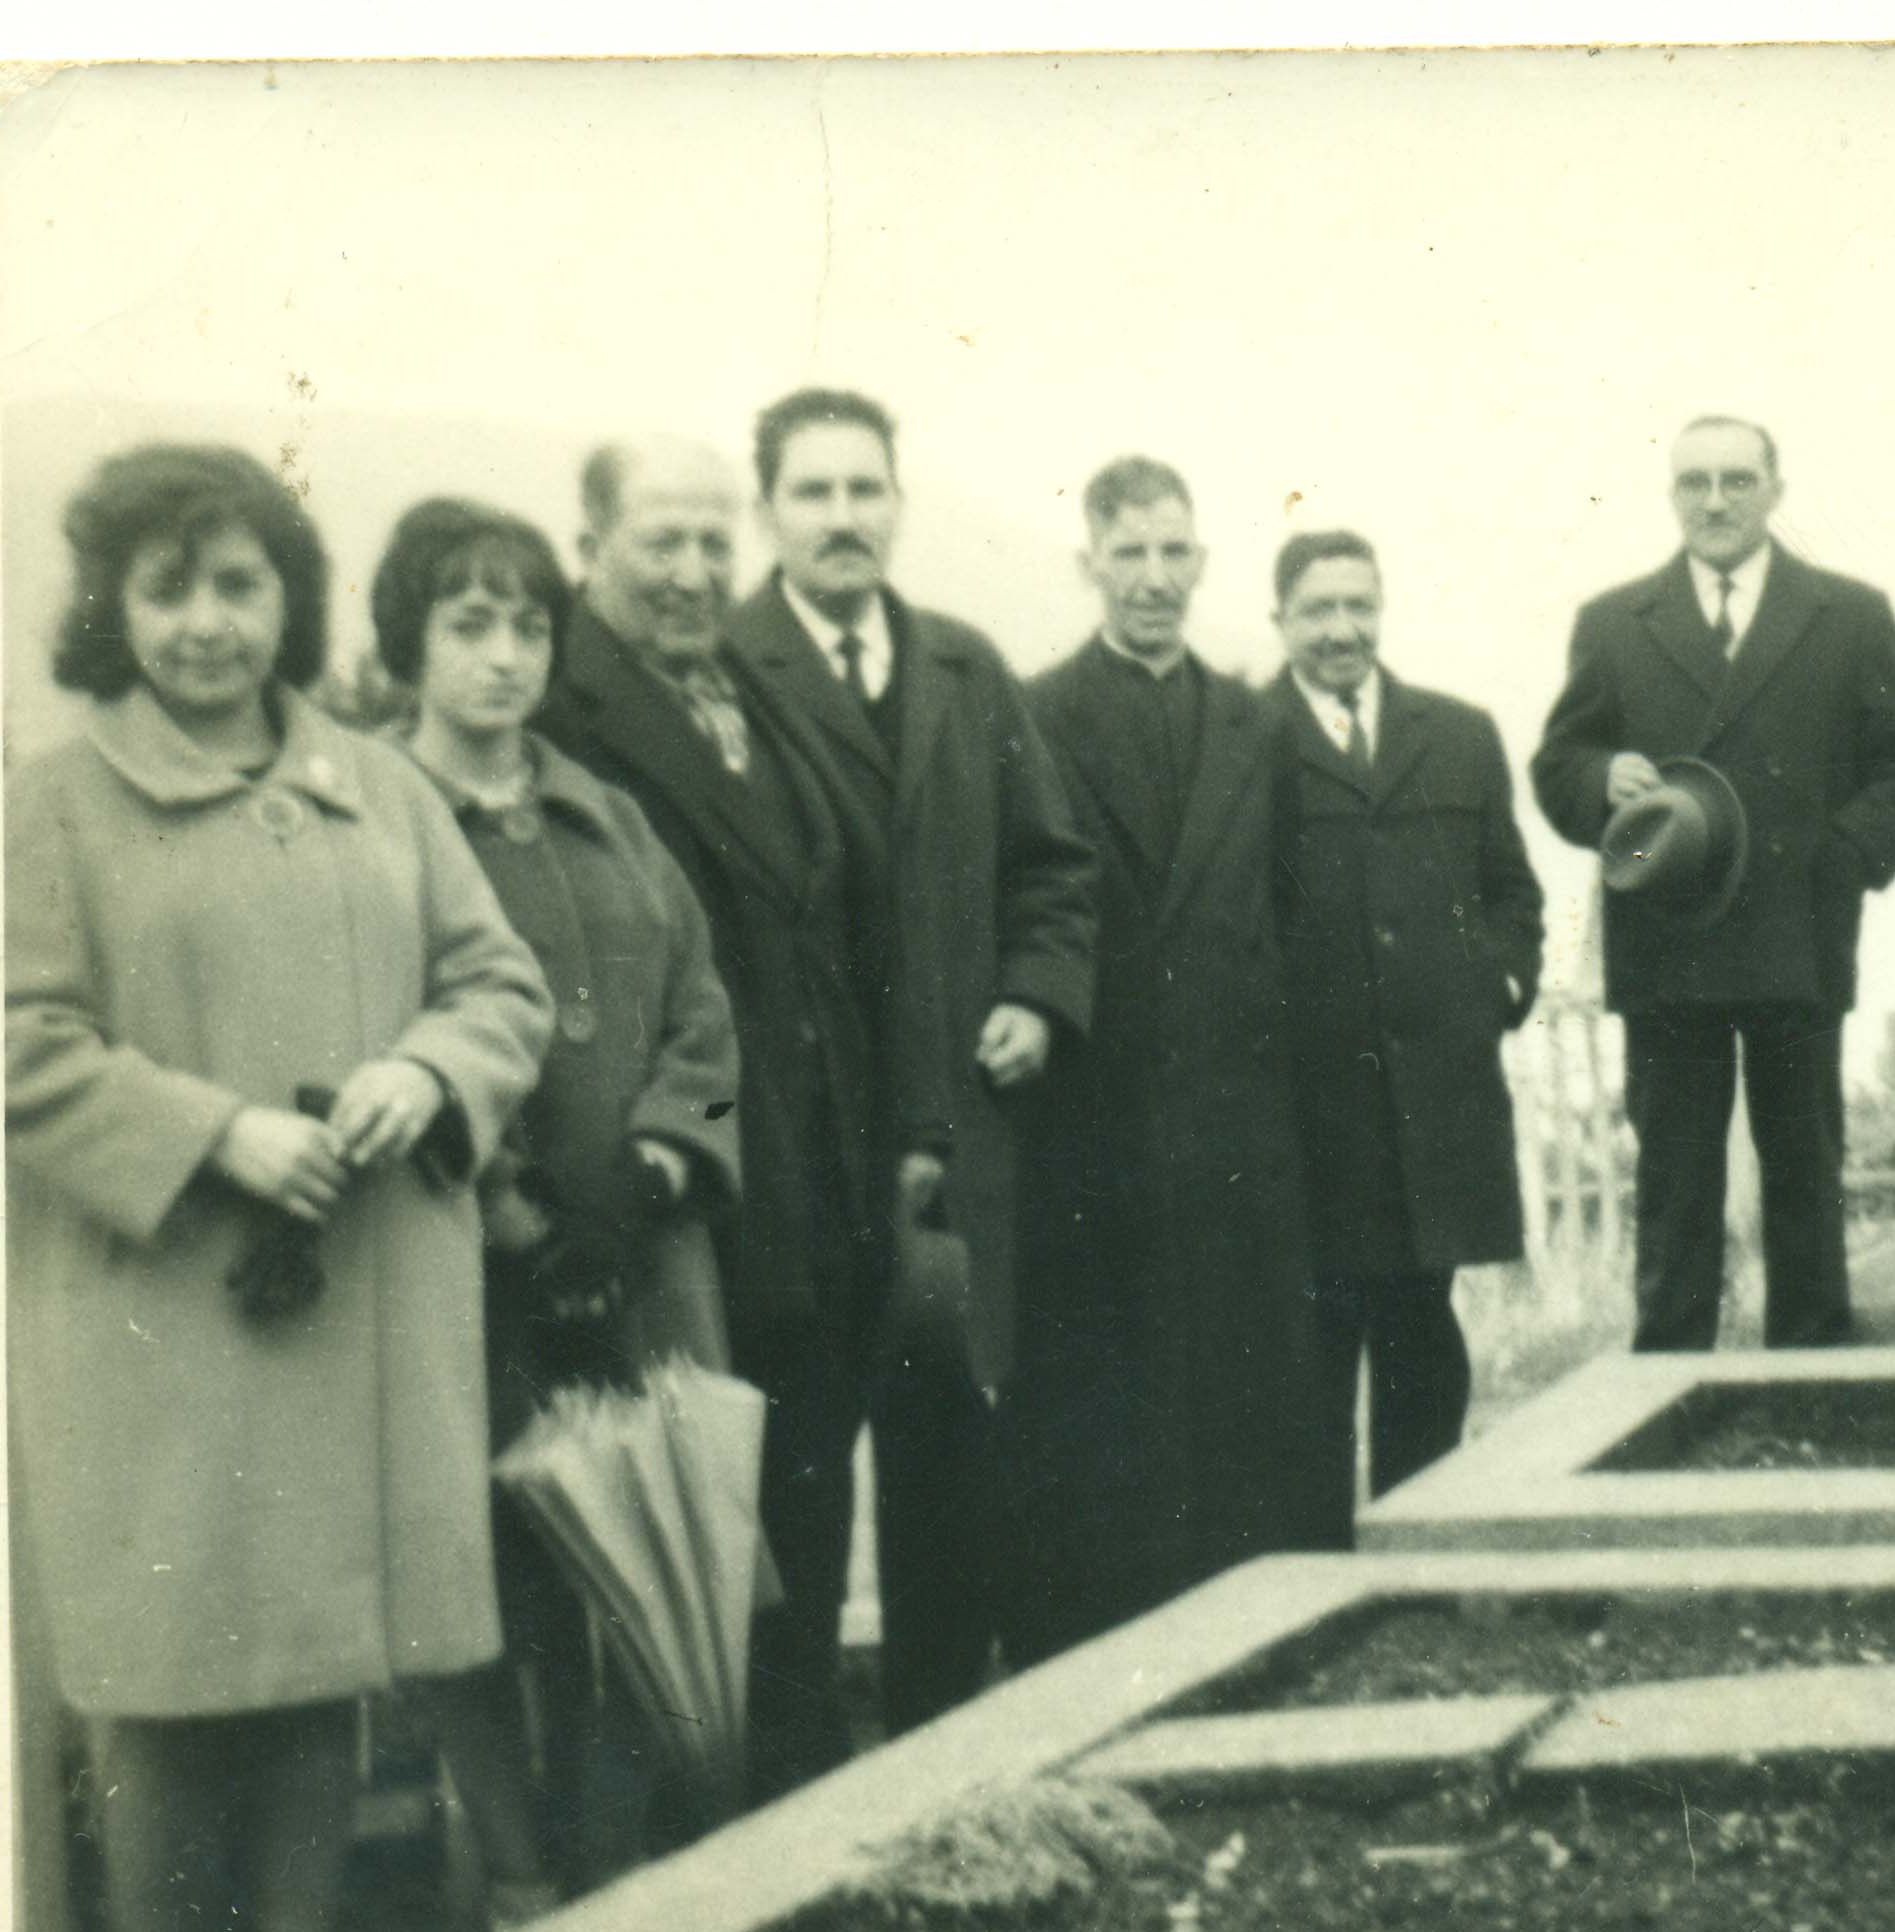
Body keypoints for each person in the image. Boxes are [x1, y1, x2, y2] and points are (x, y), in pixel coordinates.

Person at [7, 444, 552, 1932]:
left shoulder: (376, 784)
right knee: (169, 1687)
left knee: (321, 1665)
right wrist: (213, 1133)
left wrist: (430, 1070)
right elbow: (17, 1039)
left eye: (239, 584)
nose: (204, 623)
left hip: (349, 1319)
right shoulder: (52, 797)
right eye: (165, 588)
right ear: (110, 606)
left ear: (289, 600)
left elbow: (499, 979)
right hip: (159, 1321)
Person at [370, 498, 744, 1916]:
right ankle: (513, 1889)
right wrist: (521, 1218)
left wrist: (658, 1165)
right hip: (473, 1272)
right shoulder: (382, 819)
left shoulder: (611, 813)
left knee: (649, 1554)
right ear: (409, 638)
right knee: (494, 1581)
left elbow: (704, 1016)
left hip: (648, 1258)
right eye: (469, 624)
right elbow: (395, 1025)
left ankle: (637, 1877)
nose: (504, 655)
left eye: (529, 624)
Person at [723, 389, 1099, 1735]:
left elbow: (1053, 867)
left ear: (897, 502)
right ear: (767, 509)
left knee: (953, 1474)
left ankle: (939, 1750)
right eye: (813, 493)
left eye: (863, 491)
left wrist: (1039, 998)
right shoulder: (724, 670)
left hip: (958, 1154)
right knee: (801, 1486)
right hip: (807, 1162)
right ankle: (800, 1779)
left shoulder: (961, 666)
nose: (842, 520)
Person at [535, 435, 889, 1800]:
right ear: (592, 547)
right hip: (687, 1177)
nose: (691, 574)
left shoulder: (750, 686)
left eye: (708, 544)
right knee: (704, 1510)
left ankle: (800, 1768)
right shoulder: (567, 714)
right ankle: (727, 1799)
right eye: (658, 544)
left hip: (817, 1164)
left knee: (804, 1472)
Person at [1528, 415, 1895, 1350]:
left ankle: (1812, 1373)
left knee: (1804, 1162)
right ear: (1671, 494)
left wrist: (1845, 858)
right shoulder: (1614, 622)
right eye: (1694, 483)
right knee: (1674, 1176)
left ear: (1775, 490)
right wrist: (1604, 783)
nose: (1714, 502)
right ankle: (1667, 1381)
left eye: (1735, 481)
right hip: (1669, 937)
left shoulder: (1850, 614)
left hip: (1799, 934)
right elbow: (1559, 763)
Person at [1018, 456, 1322, 1656]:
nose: (1152, 578)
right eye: (1128, 553)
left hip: (1238, 1110)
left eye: (1172, 553)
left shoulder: (1255, 723)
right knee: (1112, 1386)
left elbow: (1286, 904)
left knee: (1247, 1384)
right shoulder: (1033, 714)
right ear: (1089, 562)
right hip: (1097, 1114)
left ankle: (1264, 1625)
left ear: (1201, 564)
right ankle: (1115, 1636)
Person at [1266, 529, 1545, 1500]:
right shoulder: (1245, 738)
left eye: (1358, 606)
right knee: (1312, 1342)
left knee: (1423, 1331)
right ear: (1279, 620)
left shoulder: (1457, 733)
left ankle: (1418, 1545)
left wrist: (1500, 984)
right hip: (1312, 1107)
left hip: (1436, 1099)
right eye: (1316, 609)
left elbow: (1513, 893)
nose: (1342, 630)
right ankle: (1312, 1570)